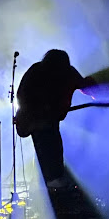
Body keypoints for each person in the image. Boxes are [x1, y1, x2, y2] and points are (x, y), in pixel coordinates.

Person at [16, 49, 95, 187]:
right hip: (36, 121)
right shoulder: (49, 72)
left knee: (51, 150)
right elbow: (22, 95)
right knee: (50, 149)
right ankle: (53, 182)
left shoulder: (45, 70)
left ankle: (52, 182)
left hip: (43, 121)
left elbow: (84, 85)